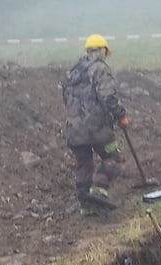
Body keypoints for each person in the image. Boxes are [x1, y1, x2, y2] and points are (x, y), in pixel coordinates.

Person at [62, 33, 128, 215]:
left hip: (74, 130)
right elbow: (108, 97)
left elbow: (65, 99)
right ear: (101, 51)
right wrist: (121, 115)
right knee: (113, 157)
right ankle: (99, 190)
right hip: (97, 128)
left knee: (83, 164)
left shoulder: (73, 72)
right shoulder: (99, 69)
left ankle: (85, 204)